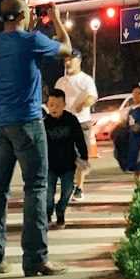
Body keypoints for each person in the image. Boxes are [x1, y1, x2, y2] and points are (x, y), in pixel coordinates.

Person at [0, 0, 72, 277]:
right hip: (28, 122)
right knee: (35, 187)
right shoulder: (33, 42)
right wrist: (56, 18)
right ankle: (35, 258)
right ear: (23, 15)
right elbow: (66, 49)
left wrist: (29, 26)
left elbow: (17, 49)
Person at [54, 49, 97, 203]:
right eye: (66, 59)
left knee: (80, 157)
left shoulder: (85, 80)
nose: (68, 62)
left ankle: (79, 188)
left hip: (80, 122)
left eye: (71, 59)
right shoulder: (60, 81)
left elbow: (93, 97)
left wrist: (84, 104)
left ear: (79, 61)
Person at [43, 87, 88, 228]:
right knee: (48, 194)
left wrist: (84, 156)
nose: (54, 108)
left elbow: (80, 139)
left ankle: (61, 211)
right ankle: (47, 214)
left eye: (57, 105)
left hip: (68, 164)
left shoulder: (71, 120)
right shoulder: (44, 123)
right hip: (50, 165)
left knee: (68, 190)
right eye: (51, 105)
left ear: (64, 104)